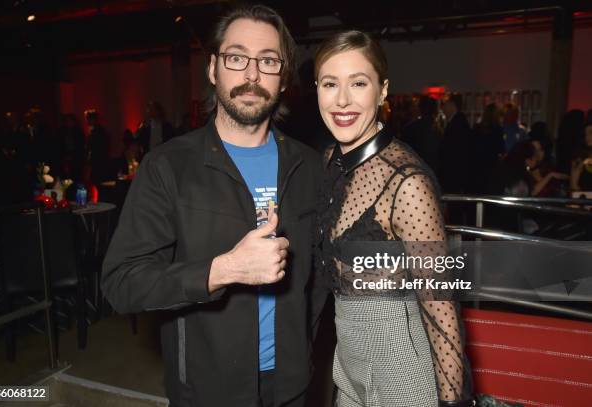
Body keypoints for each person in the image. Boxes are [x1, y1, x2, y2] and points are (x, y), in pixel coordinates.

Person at [101, 5, 324, 407]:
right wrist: (223, 270)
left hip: (292, 385)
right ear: (212, 69)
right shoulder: (168, 167)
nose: (252, 75)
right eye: (237, 58)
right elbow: (121, 283)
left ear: (284, 77)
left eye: (269, 61)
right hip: (207, 390)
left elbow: (319, 281)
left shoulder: (309, 167)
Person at [314, 30, 471, 407]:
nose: (342, 100)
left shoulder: (407, 183)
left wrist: (453, 400)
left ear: (382, 91)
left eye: (359, 83)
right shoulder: (328, 161)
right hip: (347, 355)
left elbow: (439, 301)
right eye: (330, 83)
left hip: (401, 358)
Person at [439, 92, 471, 194]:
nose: (442, 108)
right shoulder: (457, 121)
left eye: (445, 104)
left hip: (454, 176)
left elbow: (454, 153)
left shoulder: (457, 124)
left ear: (452, 105)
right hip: (456, 175)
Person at [470, 103, 505, 194]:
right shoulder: (497, 130)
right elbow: (501, 149)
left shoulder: (477, 128)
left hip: (477, 167)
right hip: (491, 167)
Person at [401, 95, 441, 174]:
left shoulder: (412, 127)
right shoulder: (436, 127)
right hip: (430, 171)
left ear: (420, 108)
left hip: (417, 170)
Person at [84, 109, 110, 184]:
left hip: (98, 162)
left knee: (97, 182)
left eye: (88, 119)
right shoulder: (96, 131)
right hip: (98, 161)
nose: (87, 121)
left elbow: (95, 147)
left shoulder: (98, 132)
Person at [570, 120, 592, 192]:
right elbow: (573, 185)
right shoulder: (580, 158)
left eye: (591, 133)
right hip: (584, 199)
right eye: (585, 134)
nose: (587, 137)